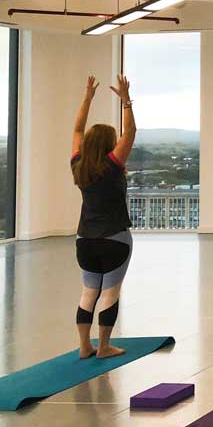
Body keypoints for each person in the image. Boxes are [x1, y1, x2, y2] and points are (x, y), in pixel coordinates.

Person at [71, 74, 136, 360]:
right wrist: (126, 100)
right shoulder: (112, 165)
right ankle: (105, 345)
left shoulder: (77, 164)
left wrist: (87, 97)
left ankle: (85, 346)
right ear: (109, 144)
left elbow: (76, 128)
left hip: (85, 240)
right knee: (109, 294)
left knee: (88, 293)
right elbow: (130, 132)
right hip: (115, 239)